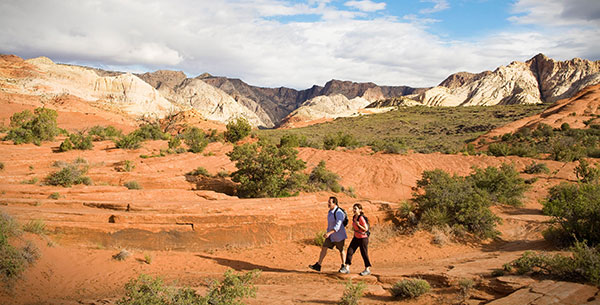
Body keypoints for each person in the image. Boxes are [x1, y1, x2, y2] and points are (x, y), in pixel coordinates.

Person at [309, 196, 348, 273]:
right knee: (324, 247)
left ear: (335, 203)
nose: (328, 204)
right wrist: (328, 232)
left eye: (330, 202)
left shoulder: (339, 212)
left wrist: (329, 232)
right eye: (328, 202)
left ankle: (344, 266)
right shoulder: (330, 212)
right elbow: (330, 224)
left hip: (338, 236)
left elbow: (338, 225)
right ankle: (318, 265)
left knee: (341, 250)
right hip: (331, 235)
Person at [339, 203, 372, 276]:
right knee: (350, 250)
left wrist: (358, 224)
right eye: (353, 208)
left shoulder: (361, 218)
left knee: (364, 253)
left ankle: (367, 269)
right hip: (356, 237)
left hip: (363, 238)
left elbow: (366, 229)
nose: (354, 210)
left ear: (360, 210)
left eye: (355, 209)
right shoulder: (354, 217)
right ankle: (347, 267)